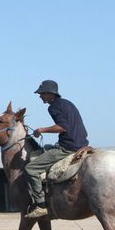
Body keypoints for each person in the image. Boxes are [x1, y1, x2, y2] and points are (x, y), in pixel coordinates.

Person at [24, 80, 89, 219]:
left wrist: (42, 130)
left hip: (68, 147)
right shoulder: (67, 103)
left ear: (49, 94)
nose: (40, 96)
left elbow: (62, 127)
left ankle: (41, 205)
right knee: (46, 148)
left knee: (31, 168)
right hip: (82, 143)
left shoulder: (53, 107)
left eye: (41, 94)